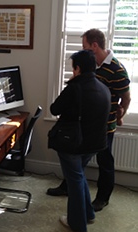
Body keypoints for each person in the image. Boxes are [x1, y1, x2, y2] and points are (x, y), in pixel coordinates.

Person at [47, 28, 131, 212]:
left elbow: (126, 98)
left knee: (104, 161)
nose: (83, 50)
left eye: (85, 46)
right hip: (82, 123)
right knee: (78, 160)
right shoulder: (90, 65)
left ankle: (102, 198)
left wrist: (120, 116)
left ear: (95, 45)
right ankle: (67, 186)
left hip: (104, 125)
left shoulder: (117, 69)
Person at [48, 49, 111, 232]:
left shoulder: (75, 88)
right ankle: (89, 214)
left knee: (74, 181)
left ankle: (77, 224)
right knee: (79, 176)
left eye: (73, 68)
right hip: (95, 144)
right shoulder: (103, 88)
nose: (72, 71)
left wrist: (71, 84)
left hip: (74, 144)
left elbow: (54, 108)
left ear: (78, 68)